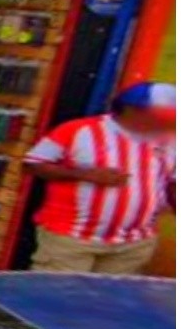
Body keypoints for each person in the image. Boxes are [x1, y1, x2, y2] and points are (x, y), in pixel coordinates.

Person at [25, 81, 176, 274]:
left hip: (133, 244)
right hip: (71, 238)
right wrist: (85, 174)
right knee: (59, 296)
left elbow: (172, 182)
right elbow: (32, 164)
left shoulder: (169, 140)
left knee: (108, 300)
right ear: (131, 110)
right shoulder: (77, 131)